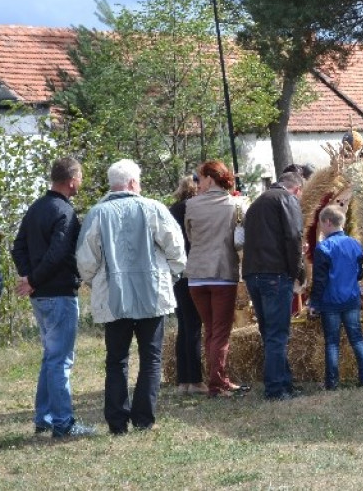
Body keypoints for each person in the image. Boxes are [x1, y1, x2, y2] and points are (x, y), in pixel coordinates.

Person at [77, 159, 186, 436]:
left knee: (116, 359)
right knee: (151, 357)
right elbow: (176, 248)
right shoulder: (153, 208)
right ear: (134, 183)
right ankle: (144, 419)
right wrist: (170, 275)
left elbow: (86, 259)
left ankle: (117, 422)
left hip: (114, 296)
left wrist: (95, 282)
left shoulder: (97, 213)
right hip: (152, 293)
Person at [11, 157, 95, 439]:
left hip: (40, 296)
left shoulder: (36, 207)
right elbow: (58, 253)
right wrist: (33, 279)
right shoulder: (65, 212)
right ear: (71, 181)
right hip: (58, 293)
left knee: (51, 357)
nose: (81, 182)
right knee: (60, 361)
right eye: (80, 177)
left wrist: (29, 278)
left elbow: (18, 247)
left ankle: (44, 418)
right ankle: (63, 423)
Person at [242, 171, 306, 400]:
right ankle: (276, 389)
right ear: (297, 189)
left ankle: (284, 382)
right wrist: (298, 271)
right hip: (275, 273)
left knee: (269, 332)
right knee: (277, 334)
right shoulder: (287, 199)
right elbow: (294, 235)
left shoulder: (256, 203)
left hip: (253, 272)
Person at [185, 160, 246, 398]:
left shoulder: (191, 205)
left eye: (199, 179)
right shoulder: (236, 204)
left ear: (210, 179)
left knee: (210, 330)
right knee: (220, 332)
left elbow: (191, 236)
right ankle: (217, 383)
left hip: (196, 274)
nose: (197, 183)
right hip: (222, 272)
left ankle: (219, 378)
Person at [308, 205, 363, 390]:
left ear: (328, 222)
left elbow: (320, 281)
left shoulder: (323, 248)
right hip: (351, 298)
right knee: (357, 338)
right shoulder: (355, 244)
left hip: (330, 301)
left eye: (321, 224)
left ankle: (332, 382)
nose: (321, 228)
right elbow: (359, 273)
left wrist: (314, 303)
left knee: (332, 342)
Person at [168, 175, 205, 395]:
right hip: (193, 269)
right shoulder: (193, 209)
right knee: (193, 326)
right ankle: (196, 380)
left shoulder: (172, 209)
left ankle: (183, 380)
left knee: (184, 325)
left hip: (177, 273)